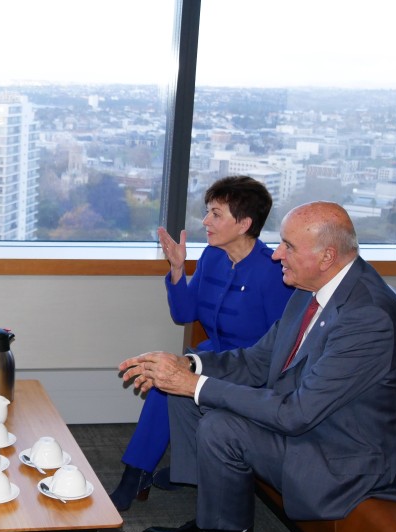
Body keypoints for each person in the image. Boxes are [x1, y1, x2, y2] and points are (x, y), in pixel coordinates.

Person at [119, 201, 396, 532]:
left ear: (326, 256)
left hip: (344, 455)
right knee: (186, 397)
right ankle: (212, 527)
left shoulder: (370, 317)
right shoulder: (311, 289)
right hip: (311, 421)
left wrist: (195, 384)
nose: (276, 255)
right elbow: (258, 360)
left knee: (222, 425)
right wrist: (190, 364)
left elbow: (297, 414)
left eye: (288, 247)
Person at [109, 176, 294, 511]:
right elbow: (184, 312)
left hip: (250, 369)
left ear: (244, 224)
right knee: (167, 378)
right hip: (209, 356)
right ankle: (148, 474)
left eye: (215, 214)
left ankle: (140, 476)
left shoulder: (273, 273)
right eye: (207, 212)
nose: (205, 221)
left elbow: (280, 348)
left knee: (166, 385)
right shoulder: (213, 256)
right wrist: (178, 269)